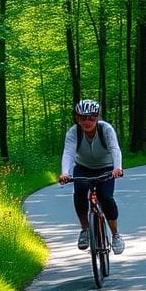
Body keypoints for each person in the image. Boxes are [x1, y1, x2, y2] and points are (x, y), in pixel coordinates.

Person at [58, 99, 125, 254]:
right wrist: (65, 173)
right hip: (83, 167)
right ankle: (85, 230)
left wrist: (117, 168)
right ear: (77, 118)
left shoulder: (106, 129)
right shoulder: (73, 132)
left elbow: (115, 148)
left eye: (92, 117)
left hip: (106, 168)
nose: (87, 121)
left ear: (97, 117)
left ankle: (115, 235)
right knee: (80, 192)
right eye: (83, 118)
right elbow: (68, 153)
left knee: (105, 197)